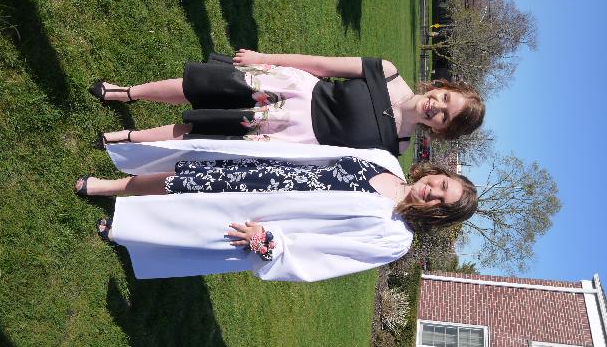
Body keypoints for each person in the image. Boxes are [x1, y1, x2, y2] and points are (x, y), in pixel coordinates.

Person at [74, 139, 477, 282]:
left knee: (188, 222)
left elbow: (329, 254)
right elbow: (322, 155)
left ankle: (124, 229)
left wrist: (272, 244)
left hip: (269, 216)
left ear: (437, 216)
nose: (433, 193)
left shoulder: (395, 238)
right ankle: (108, 186)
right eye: (441, 185)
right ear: (438, 174)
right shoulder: (386, 162)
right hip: (267, 172)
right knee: (183, 178)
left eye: (441, 203)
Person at [89, 50, 485, 156]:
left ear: (441, 130)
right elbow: (320, 64)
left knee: (202, 131)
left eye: (445, 117)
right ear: (442, 86)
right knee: (202, 88)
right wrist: (263, 57)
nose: (437, 107)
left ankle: (127, 138)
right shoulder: (387, 72)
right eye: (445, 99)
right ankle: (126, 92)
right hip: (290, 89)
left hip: (288, 135)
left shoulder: (395, 147)